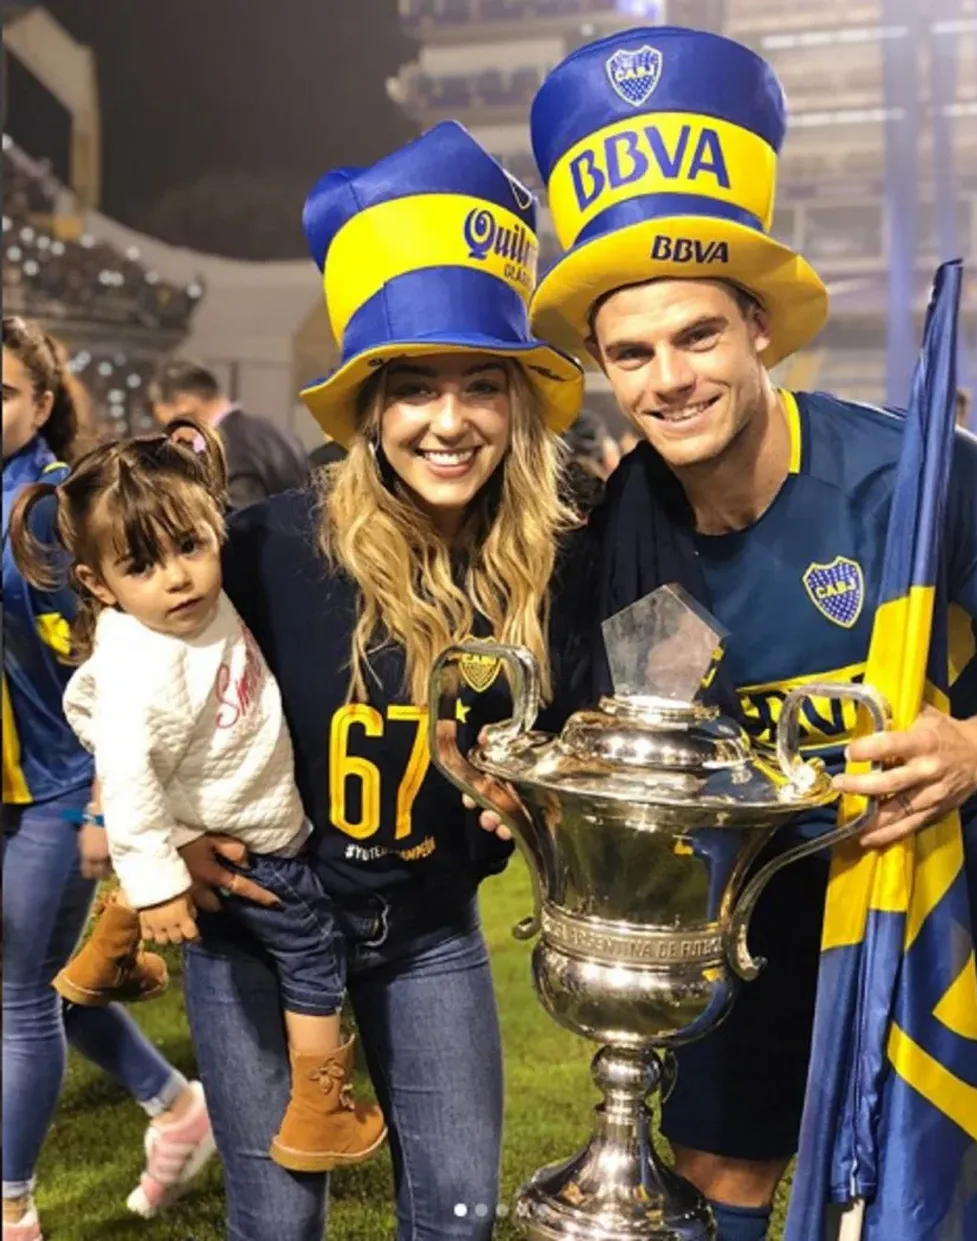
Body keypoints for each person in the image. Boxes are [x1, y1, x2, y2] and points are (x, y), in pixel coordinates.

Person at [508, 27, 977, 1241]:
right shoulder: (618, 522)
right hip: (748, 911)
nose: (667, 376)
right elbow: (603, 724)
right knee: (718, 1183)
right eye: (632, 352)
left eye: (698, 336)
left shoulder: (919, 478)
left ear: (760, 333)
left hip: (946, 903)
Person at [172, 120, 585, 1240]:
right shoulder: (259, 546)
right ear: (366, 409)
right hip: (260, 934)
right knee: (275, 1217)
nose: (448, 421)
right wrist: (159, 839)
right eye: (412, 388)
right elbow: (133, 681)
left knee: (454, 1212)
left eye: (478, 386)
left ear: (518, 402)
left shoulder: (550, 559)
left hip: (430, 930)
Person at [8, 419, 387, 1175]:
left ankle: (108, 952)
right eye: (142, 564)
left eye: (190, 545)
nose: (177, 576)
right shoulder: (143, 666)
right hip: (248, 845)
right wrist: (156, 887)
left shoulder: (185, 612)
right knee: (314, 948)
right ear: (97, 583)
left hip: (225, 811)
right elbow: (132, 781)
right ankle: (322, 1109)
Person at [1, 316, 214, 1241]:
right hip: (12, 779)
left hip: (61, 781)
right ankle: (176, 1105)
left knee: (20, 1000)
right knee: (52, 985)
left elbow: (120, 645)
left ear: (42, 405)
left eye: (3, 391)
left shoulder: (55, 502)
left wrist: (105, 804)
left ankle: (10, 1208)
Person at [148, 359, 309, 507]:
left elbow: (242, 520)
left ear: (183, 403)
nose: (174, 438)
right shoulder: (276, 431)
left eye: (171, 425)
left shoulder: (223, 445)